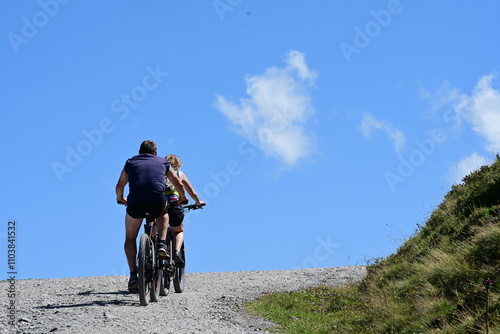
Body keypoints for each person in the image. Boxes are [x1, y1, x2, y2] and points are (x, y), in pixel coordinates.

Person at [116, 140, 187, 292]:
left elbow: (119, 186)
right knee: (164, 213)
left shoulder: (130, 162)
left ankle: (134, 274)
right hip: (157, 202)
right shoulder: (163, 162)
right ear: (155, 153)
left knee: (130, 238)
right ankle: (161, 243)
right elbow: (178, 184)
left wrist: (120, 198)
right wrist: (183, 198)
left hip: (135, 203)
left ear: (139, 151)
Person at [164, 154, 205, 265]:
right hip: (174, 206)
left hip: (158, 205)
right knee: (179, 230)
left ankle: (153, 246)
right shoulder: (179, 174)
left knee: (156, 227)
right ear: (178, 164)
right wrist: (198, 202)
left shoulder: (158, 174)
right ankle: (176, 251)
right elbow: (192, 192)